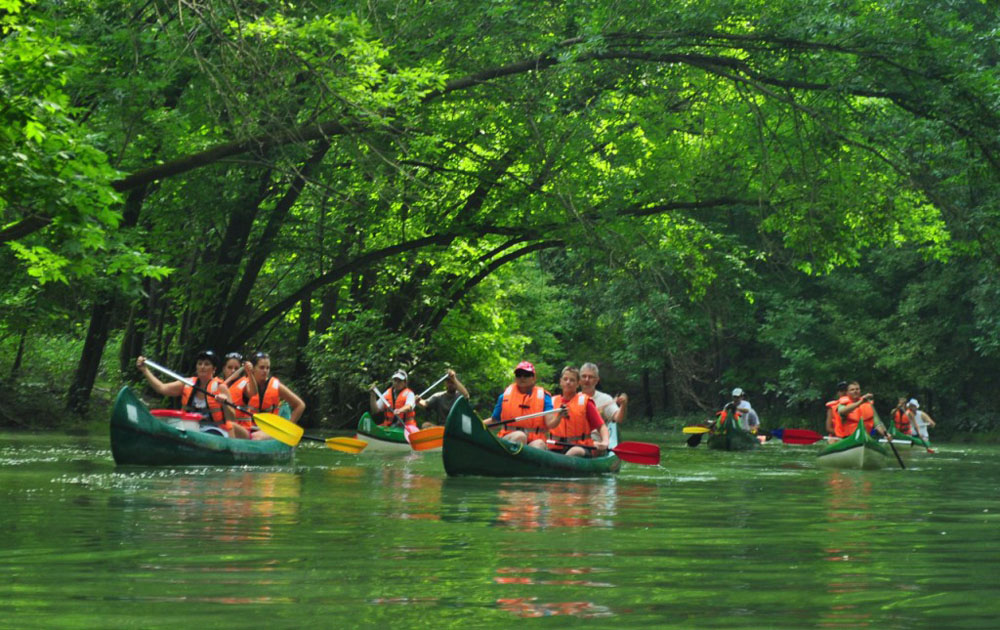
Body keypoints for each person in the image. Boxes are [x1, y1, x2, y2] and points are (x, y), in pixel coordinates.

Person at [135, 350, 237, 437]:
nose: (202, 367)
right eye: (200, 363)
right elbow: (161, 388)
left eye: (207, 364)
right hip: (189, 427)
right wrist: (145, 370)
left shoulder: (221, 388)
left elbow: (232, 419)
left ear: (214, 369)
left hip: (214, 429)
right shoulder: (186, 383)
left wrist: (225, 403)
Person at [230, 352, 306, 440]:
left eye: (268, 368)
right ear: (253, 369)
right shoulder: (245, 385)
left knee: (256, 437)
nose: (265, 371)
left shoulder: (276, 386)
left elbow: (300, 405)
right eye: (262, 368)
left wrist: (288, 428)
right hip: (248, 428)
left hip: (270, 429)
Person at [490, 361, 557, 449]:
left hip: (534, 440)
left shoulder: (544, 397)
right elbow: (494, 421)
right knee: (520, 436)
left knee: (539, 444)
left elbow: (550, 423)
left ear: (533, 378)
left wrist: (559, 417)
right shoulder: (504, 396)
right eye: (519, 374)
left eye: (526, 375)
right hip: (510, 438)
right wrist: (475, 424)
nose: (522, 378)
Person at [550, 366, 609, 457]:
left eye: (572, 380)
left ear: (578, 384)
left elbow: (601, 427)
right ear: (560, 382)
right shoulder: (552, 401)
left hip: (581, 447)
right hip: (555, 447)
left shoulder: (586, 402)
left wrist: (605, 442)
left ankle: (563, 464)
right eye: (565, 379)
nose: (568, 382)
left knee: (575, 451)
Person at [369, 369, 418, 437]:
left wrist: (400, 410)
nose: (396, 383)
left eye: (399, 381)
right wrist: (373, 396)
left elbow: (409, 406)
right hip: (389, 427)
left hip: (405, 427)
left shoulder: (410, 394)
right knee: (374, 431)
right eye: (395, 380)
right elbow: (375, 410)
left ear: (405, 382)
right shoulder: (387, 393)